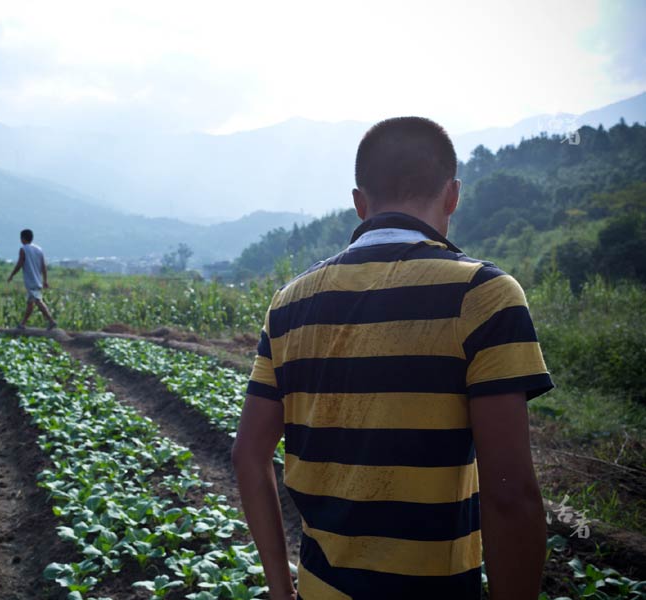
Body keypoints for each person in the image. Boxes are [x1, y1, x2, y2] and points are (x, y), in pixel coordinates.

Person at [232, 116, 553, 600]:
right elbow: (509, 495)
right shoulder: (482, 296)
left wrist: (281, 590)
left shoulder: (289, 304)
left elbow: (248, 455)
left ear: (360, 204)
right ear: (453, 196)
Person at [7, 228, 58, 330]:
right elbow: (43, 266)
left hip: (31, 281)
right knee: (30, 303)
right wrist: (45, 280)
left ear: (23, 238)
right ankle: (23, 324)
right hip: (37, 280)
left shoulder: (23, 249)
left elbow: (20, 264)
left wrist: (12, 275)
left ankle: (51, 321)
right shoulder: (39, 249)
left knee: (38, 301)